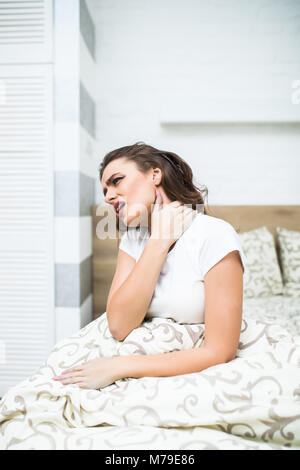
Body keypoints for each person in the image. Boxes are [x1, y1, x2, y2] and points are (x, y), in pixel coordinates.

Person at [53, 141, 247, 390]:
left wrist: (119, 366)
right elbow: (120, 326)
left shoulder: (215, 234)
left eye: (116, 180)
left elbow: (221, 352)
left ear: (155, 174)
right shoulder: (133, 239)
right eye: (104, 190)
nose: (109, 196)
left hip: (177, 369)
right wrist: (158, 242)